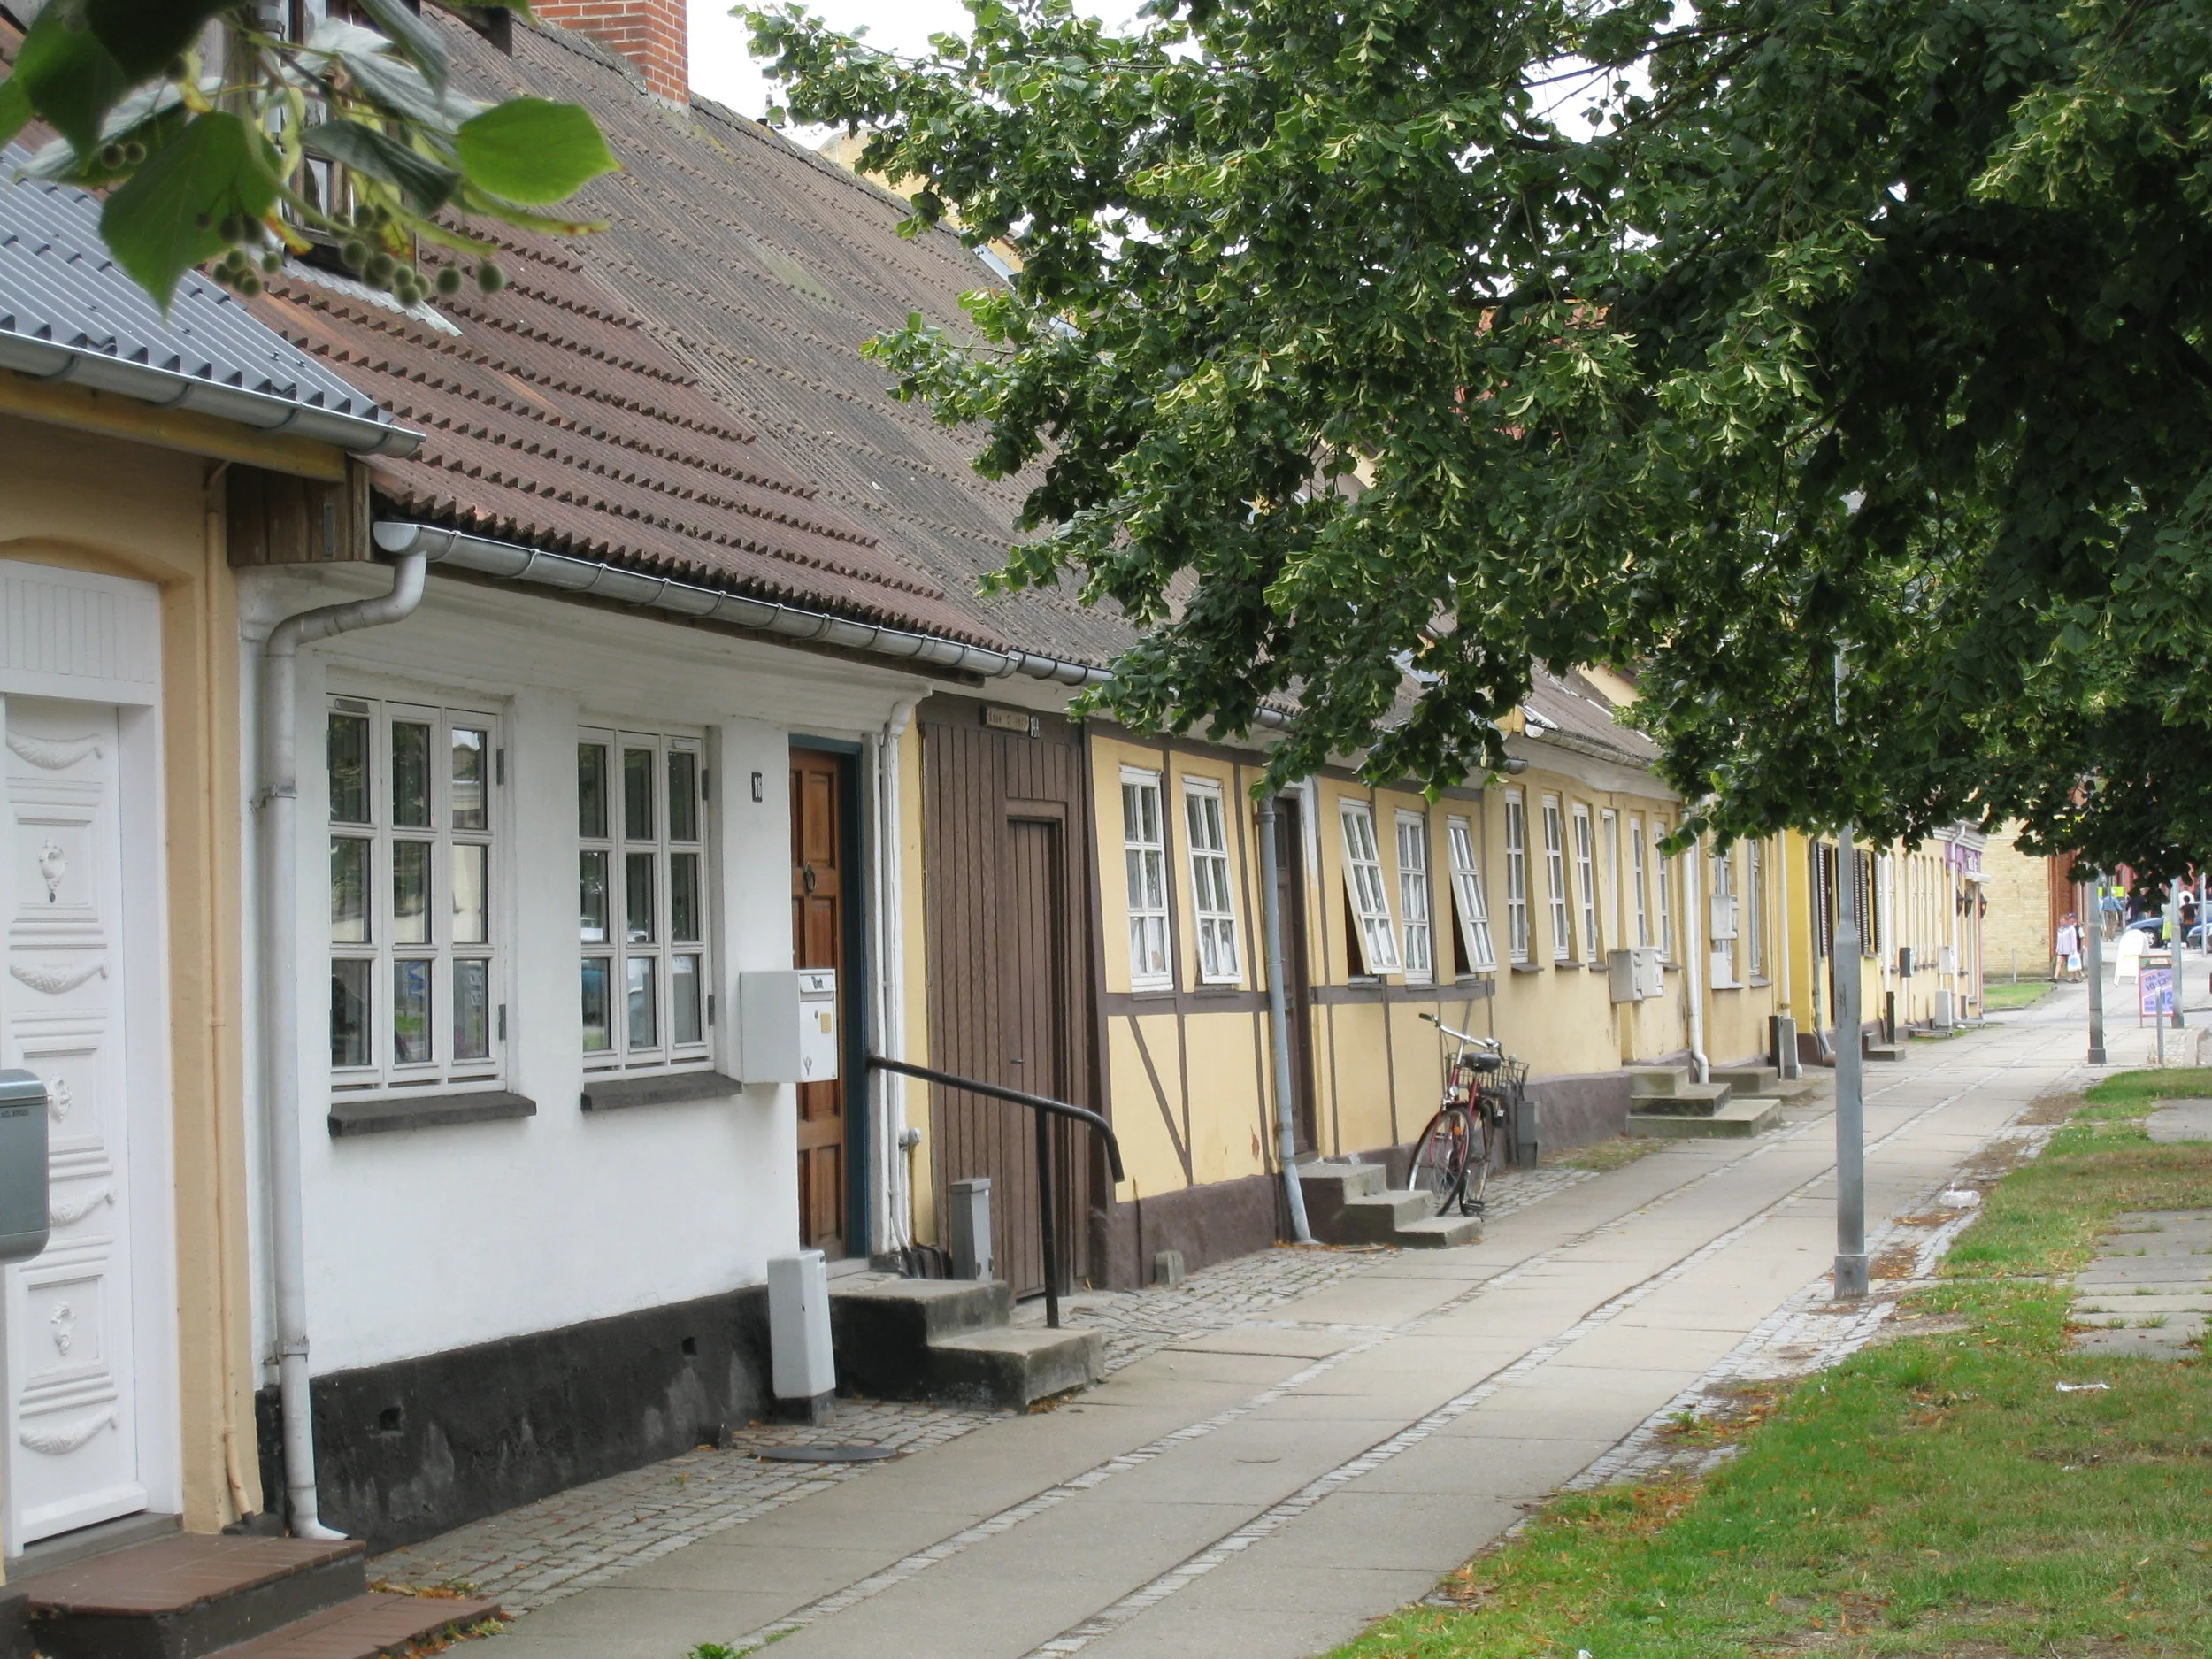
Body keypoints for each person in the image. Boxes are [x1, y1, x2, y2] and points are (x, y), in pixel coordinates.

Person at [2055, 911, 2083, 982]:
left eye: (2063, 920)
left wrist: (2074, 949)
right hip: (2061, 950)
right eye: (2060, 920)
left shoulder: (2071, 929)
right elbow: (2059, 940)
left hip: (2069, 950)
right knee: (2059, 962)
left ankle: (2074, 977)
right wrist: (2057, 948)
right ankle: (2055, 978)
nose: (2061, 922)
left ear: (2067, 921)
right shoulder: (2060, 930)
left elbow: (2073, 939)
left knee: (2071, 963)